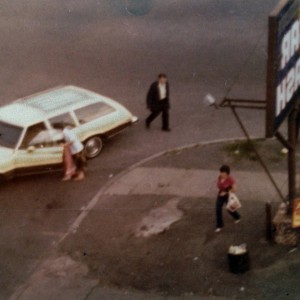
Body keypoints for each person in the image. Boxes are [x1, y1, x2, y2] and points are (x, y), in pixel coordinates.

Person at [215, 165, 241, 233]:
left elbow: (235, 189)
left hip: (227, 195)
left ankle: (237, 217)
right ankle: (219, 225)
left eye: (222, 173)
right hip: (220, 194)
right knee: (218, 208)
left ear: (227, 173)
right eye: (220, 172)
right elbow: (218, 185)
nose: (220, 174)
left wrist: (226, 192)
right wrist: (220, 190)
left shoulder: (230, 179)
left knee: (230, 208)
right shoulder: (220, 177)